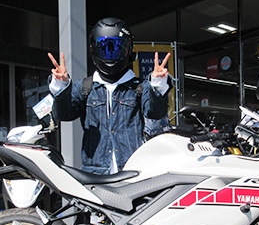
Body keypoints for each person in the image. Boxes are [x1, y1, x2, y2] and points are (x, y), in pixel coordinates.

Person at [48, 17, 171, 174]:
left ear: (128, 50)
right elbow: (63, 114)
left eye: (117, 48)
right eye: (105, 48)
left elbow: (155, 112)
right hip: (94, 175)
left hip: (132, 171)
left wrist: (158, 83)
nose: (111, 54)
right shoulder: (85, 87)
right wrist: (61, 85)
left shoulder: (139, 87)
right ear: (94, 49)